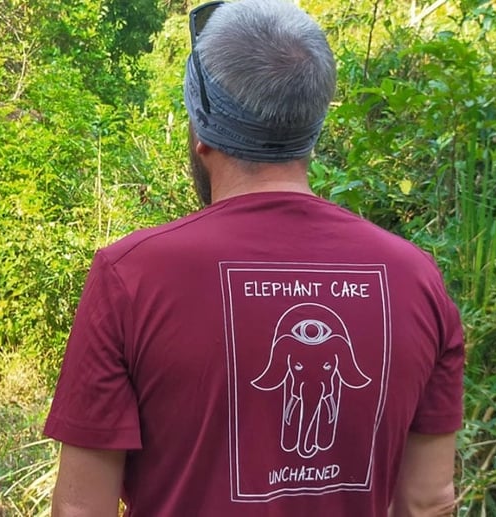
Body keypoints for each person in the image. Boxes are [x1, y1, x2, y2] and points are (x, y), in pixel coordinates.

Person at [42, 0, 466, 515]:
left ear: (202, 125)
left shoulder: (129, 276)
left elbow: (81, 509)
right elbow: (428, 501)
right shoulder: (415, 279)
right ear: (313, 129)